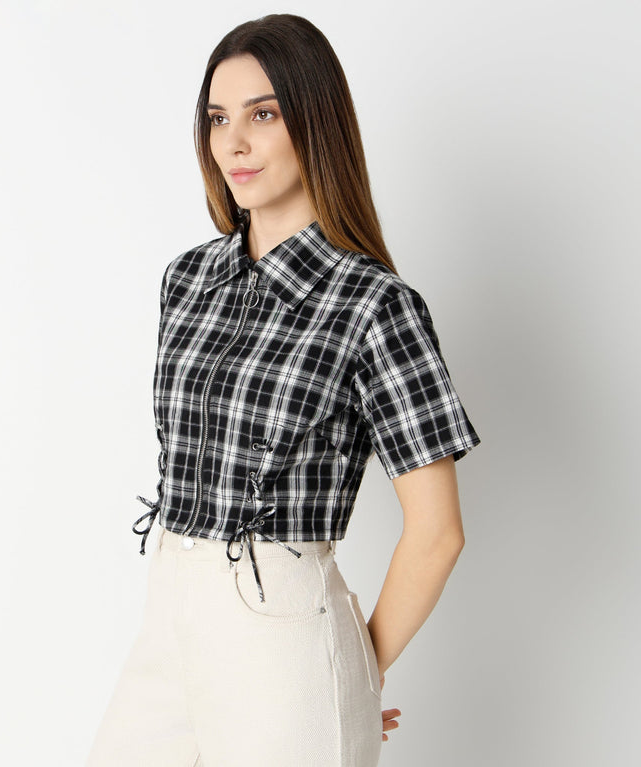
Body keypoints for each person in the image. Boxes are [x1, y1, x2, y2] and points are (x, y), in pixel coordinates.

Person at [86, 13, 481, 767]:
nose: (233, 142)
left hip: (283, 632)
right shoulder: (189, 280)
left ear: (314, 122)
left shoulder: (373, 305)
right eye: (217, 118)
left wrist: (355, 672)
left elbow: (437, 532)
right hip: (168, 613)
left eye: (262, 114)